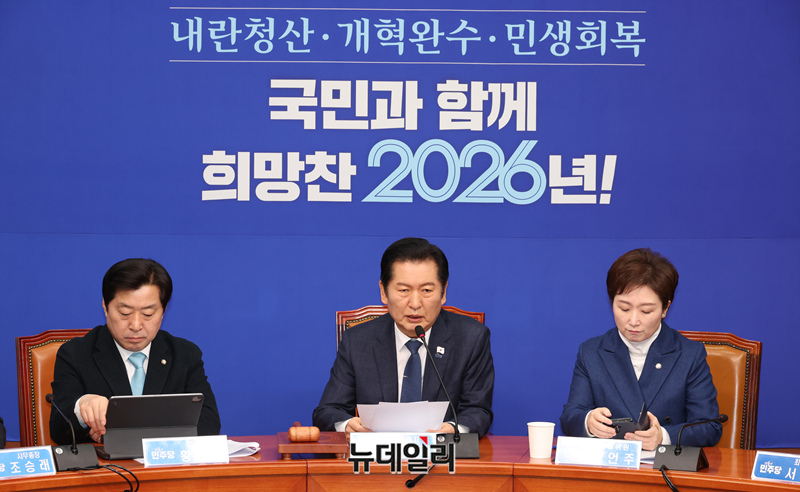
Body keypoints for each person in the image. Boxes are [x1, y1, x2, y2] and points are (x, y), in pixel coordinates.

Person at [313, 237, 495, 437]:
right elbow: (328, 411)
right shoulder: (357, 341)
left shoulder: (471, 338)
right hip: (377, 453)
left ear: (443, 292)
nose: (415, 303)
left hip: (441, 452)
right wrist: (348, 424)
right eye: (404, 290)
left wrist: (453, 429)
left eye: (426, 290)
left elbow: (478, 410)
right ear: (384, 292)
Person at [560, 248, 722, 450]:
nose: (633, 321)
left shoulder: (689, 355)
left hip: (664, 466)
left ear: (665, 308)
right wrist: (588, 422)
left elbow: (709, 427)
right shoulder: (592, 352)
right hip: (610, 463)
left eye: (646, 311)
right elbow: (570, 416)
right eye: (624, 308)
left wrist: (663, 436)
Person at [49, 258, 220, 445]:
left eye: (148, 314)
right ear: (105, 306)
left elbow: (209, 423)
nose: (136, 325)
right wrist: (82, 409)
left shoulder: (184, 354)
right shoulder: (76, 354)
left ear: (163, 310)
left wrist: (129, 436)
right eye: (125, 313)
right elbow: (58, 432)